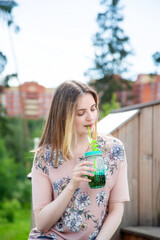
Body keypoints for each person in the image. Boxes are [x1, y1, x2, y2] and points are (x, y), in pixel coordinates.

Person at [28, 80, 130, 240]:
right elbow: (41, 224)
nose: (91, 118)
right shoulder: (45, 156)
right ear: (64, 117)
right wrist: (72, 185)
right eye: (81, 113)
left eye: (93, 109)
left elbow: (116, 210)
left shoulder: (114, 150)